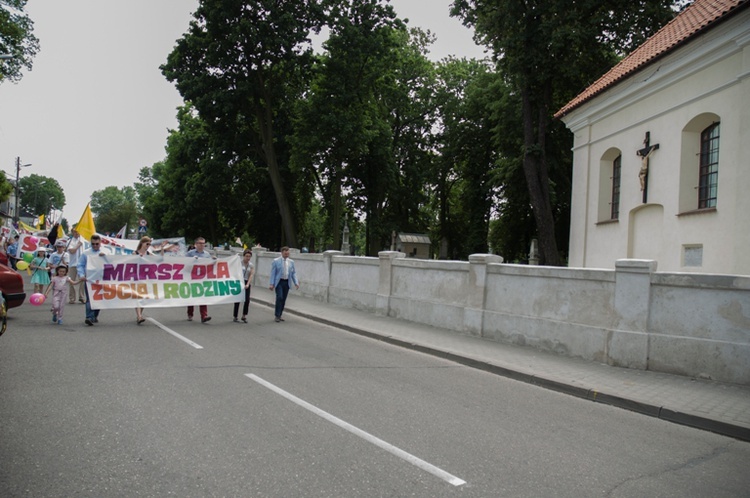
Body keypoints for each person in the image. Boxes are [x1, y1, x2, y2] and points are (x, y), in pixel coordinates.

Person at [77, 234, 106, 326]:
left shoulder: (105, 252)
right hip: (89, 279)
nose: (95, 246)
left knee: (99, 299)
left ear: (100, 243)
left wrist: (105, 257)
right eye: (93, 244)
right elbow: (80, 265)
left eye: (97, 244)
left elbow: (113, 263)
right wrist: (81, 275)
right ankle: (88, 317)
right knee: (90, 299)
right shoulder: (86, 253)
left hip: (102, 280)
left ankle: (94, 315)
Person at [186, 237, 213, 323]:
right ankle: (190, 313)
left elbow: (209, 265)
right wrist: (192, 260)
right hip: (192, 278)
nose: (202, 245)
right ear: (196, 244)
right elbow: (183, 263)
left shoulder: (207, 254)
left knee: (203, 296)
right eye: (200, 243)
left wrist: (214, 260)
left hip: (202, 278)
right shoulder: (190, 253)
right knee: (192, 296)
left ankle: (204, 315)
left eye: (203, 243)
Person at [269, 246, 299, 322]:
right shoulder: (276, 261)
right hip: (279, 282)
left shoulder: (291, 262)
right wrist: (271, 284)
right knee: (280, 297)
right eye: (285, 253)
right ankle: (277, 315)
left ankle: (280, 314)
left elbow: (293, 273)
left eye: (288, 253)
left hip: (287, 282)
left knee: (284, 299)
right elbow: (273, 273)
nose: (286, 254)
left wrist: (296, 282)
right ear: (282, 253)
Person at [233, 249, 255, 323]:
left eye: (249, 256)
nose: (248, 258)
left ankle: (244, 315)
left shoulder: (251, 265)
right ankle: (235, 316)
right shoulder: (239, 263)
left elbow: (251, 275)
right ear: (243, 256)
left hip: (246, 282)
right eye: (246, 256)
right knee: (237, 299)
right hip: (239, 281)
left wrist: (248, 284)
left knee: (247, 299)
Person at [134, 236, 152, 325]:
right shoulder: (135, 253)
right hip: (137, 278)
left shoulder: (149, 254)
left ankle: (140, 313)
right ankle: (139, 316)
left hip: (146, 279)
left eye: (149, 244)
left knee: (144, 297)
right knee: (138, 297)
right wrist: (138, 258)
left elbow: (160, 260)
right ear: (142, 243)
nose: (148, 246)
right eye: (147, 244)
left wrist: (163, 248)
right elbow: (129, 263)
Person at [67, 229, 85, 304]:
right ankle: (72, 298)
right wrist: (78, 245)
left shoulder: (84, 241)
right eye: (75, 232)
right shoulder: (70, 241)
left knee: (83, 280)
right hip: (73, 264)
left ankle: (81, 297)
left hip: (82, 265)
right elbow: (72, 251)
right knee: (72, 281)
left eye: (78, 232)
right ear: (72, 233)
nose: (77, 233)